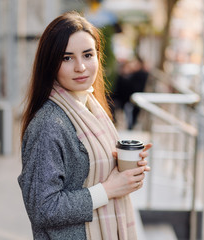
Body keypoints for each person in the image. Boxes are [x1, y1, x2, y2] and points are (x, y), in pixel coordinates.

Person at [18, 11, 152, 240]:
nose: (80, 67)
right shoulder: (49, 125)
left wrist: (126, 172)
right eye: (67, 58)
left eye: (88, 55)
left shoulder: (92, 108)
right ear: (50, 64)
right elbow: (42, 208)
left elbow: (91, 170)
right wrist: (109, 190)